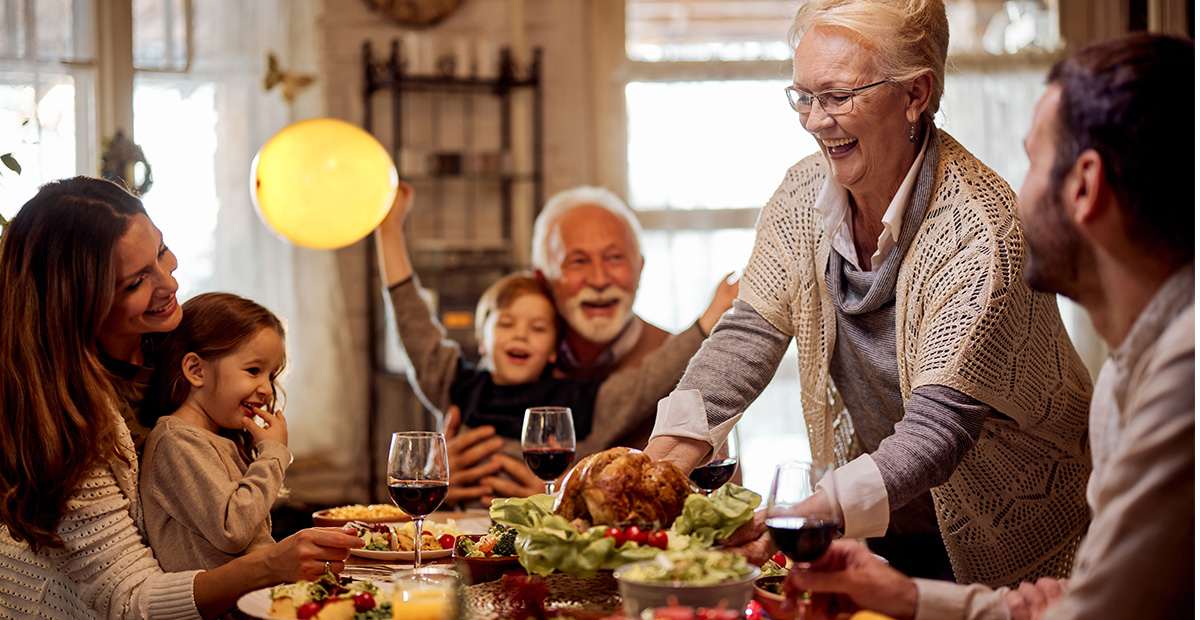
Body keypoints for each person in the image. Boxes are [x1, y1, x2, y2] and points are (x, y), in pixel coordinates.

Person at [644, 0, 1093, 586]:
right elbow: (751, 330)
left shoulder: (979, 228)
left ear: (916, 94)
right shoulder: (806, 189)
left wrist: (802, 516)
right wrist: (661, 462)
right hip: (892, 522)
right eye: (803, 96)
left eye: (837, 96)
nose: (813, 120)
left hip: (1019, 537)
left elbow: (939, 428)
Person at [787, 32, 1194, 620]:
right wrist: (906, 595)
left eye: (1032, 162)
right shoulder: (1129, 373)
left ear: (1084, 186)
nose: (1012, 195)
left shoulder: (1184, 379)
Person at [0, 177, 361, 620]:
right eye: (135, 282)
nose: (168, 282)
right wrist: (270, 565)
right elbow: (130, 601)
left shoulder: (174, 350)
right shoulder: (64, 420)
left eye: (161, 251)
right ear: (80, 304)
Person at [376, 182, 736, 502]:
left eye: (614, 258)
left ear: (640, 268)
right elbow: (420, 339)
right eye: (577, 261)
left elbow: (719, 494)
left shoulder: (684, 365)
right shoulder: (494, 373)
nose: (598, 278)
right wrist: (438, 477)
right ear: (543, 278)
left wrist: (566, 499)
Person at [140, 292, 291, 572]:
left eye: (271, 375)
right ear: (196, 370)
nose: (267, 389)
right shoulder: (177, 441)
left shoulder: (214, 440)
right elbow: (232, 530)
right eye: (254, 370)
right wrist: (273, 456)